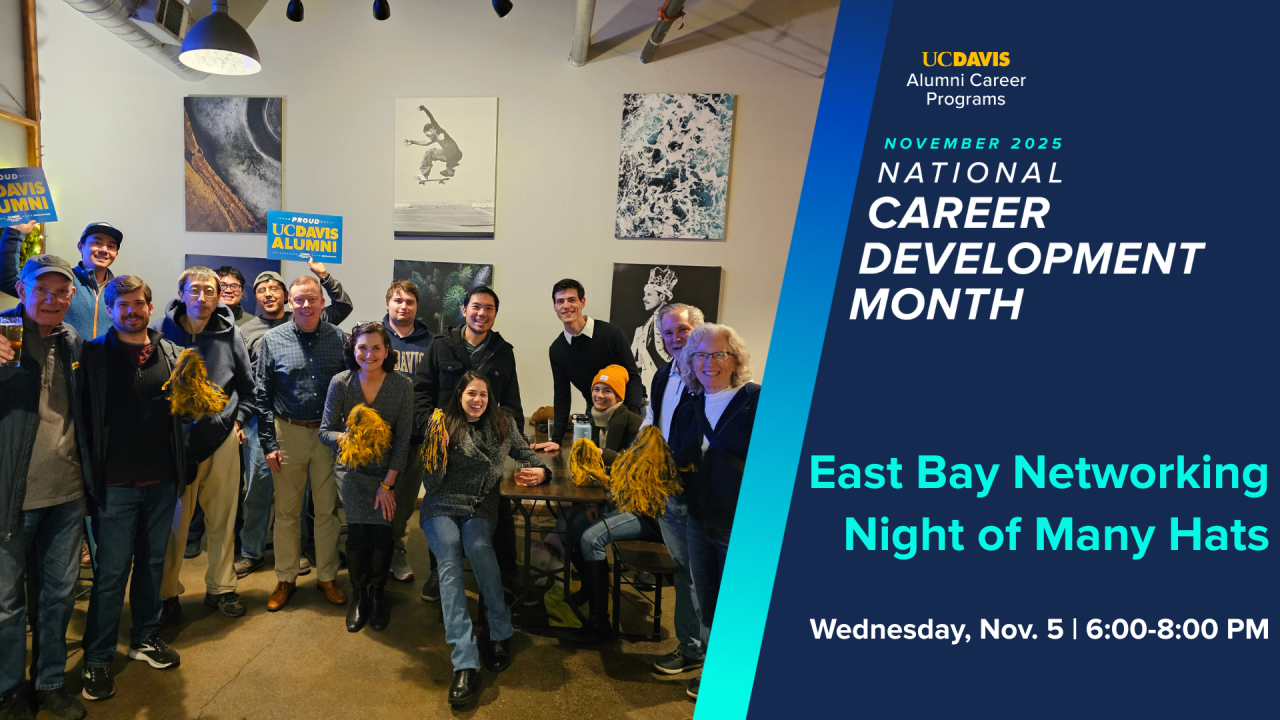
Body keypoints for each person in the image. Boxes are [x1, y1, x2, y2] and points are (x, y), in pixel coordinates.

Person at [79, 276, 184, 702]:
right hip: (115, 484)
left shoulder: (171, 353)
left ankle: (144, 638)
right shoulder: (91, 356)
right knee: (111, 574)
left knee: (152, 565)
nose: (131, 311)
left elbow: (184, 412)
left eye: (138, 303)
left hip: (162, 480)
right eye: (122, 304)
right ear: (110, 310)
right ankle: (97, 657)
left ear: (149, 306)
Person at [418, 371, 548, 707]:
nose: (477, 400)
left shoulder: (503, 423)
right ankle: (464, 661)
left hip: (479, 505)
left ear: (490, 399)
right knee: (448, 558)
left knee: (479, 548)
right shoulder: (441, 424)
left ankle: (500, 632)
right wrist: (438, 451)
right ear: (459, 395)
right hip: (441, 504)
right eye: (471, 394)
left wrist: (542, 470)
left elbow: (526, 454)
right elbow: (431, 484)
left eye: (483, 395)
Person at [0, 254, 93, 720]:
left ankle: (50, 682)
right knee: (6, 604)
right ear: (21, 289)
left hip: (66, 493)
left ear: (72, 296)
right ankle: (10, 690)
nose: (51, 299)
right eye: (41, 289)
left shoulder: (73, 340)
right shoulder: (3, 332)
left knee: (58, 595)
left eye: (61, 292)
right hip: (10, 495)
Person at [235, 263, 352, 580]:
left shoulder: (338, 338)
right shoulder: (269, 338)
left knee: (323, 508)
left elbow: (348, 388)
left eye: (312, 299)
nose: (306, 305)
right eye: (299, 300)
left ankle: (324, 574)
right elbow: (260, 392)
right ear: (291, 302)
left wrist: (346, 434)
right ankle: (279, 573)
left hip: (326, 434)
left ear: (322, 302)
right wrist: (267, 441)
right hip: (283, 429)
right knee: (281, 508)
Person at [154, 267, 256, 621]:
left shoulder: (231, 333)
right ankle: (167, 594)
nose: (202, 298)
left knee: (224, 518)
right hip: (175, 443)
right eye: (195, 290)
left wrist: (237, 421)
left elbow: (248, 388)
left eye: (209, 291)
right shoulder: (159, 332)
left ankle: (222, 588)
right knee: (173, 524)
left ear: (218, 296)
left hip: (221, 436)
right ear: (181, 293)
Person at [413, 285, 524, 603]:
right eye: (476, 306)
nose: (482, 313)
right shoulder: (440, 345)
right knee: (440, 508)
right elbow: (421, 393)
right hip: (445, 446)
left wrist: (512, 443)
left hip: (485, 450)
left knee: (497, 508)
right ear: (464, 310)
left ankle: (507, 573)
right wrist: (433, 429)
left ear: (495, 314)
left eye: (489, 308)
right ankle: (438, 571)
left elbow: (511, 403)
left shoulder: (503, 351)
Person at [667, 323, 760, 701]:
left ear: (734, 359)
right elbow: (677, 458)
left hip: (739, 522)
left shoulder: (755, 401)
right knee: (707, 601)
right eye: (700, 355)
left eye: (718, 354)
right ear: (690, 362)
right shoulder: (689, 406)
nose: (709, 363)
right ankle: (717, 668)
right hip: (698, 520)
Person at [319, 323, 414, 633]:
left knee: (383, 535)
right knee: (358, 534)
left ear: (387, 351)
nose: (369, 354)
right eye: (362, 347)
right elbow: (324, 432)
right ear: (353, 349)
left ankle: (377, 595)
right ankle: (360, 596)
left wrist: (388, 484)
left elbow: (403, 440)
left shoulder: (402, 385)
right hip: (352, 472)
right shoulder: (341, 383)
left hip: (388, 473)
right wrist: (345, 438)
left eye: (376, 348)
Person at [561, 365, 647, 644]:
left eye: (607, 390)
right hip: (607, 497)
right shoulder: (591, 419)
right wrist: (595, 501)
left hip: (637, 505)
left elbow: (636, 466)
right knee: (566, 525)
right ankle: (590, 586)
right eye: (596, 389)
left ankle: (600, 622)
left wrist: (602, 453)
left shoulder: (635, 423)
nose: (599, 395)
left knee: (590, 538)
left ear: (619, 396)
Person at [642, 303, 707, 675]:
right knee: (685, 571)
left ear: (699, 330)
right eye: (667, 333)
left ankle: (717, 657)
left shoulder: (711, 374)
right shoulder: (663, 375)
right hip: (668, 491)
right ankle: (691, 647)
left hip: (702, 493)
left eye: (682, 330)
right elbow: (653, 420)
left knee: (705, 574)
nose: (675, 339)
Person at [535, 279, 644, 452]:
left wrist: (631, 419)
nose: (566, 306)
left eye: (572, 300)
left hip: (630, 411)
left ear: (582, 302)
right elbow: (562, 395)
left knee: (632, 464)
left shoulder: (611, 334)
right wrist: (557, 439)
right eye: (560, 301)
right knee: (594, 463)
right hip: (596, 413)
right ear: (555, 307)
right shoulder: (557, 349)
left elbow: (633, 378)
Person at [381, 280, 432, 585]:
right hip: (379, 439)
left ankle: (398, 556)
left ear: (417, 306)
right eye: (398, 300)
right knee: (375, 502)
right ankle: (374, 557)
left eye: (410, 302)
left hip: (415, 438)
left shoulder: (431, 342)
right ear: (388, 303)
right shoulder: (375, 336)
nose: (404, 306)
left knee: (403, 504)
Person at [2, 220, 122, 340]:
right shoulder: (62, 283)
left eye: (111, 246)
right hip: (61, 351)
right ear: (81, 246)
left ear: (116, 254)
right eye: (97, 242)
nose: (104, 250)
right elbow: (7, 280)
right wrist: (14, 234)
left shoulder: (119, 291)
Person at [628, 267, 678, 387]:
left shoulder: (672, 320)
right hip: (648, 383)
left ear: (662, 297)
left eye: (649, 294)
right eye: (645, 294)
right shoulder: (645, 325)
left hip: (669, 382)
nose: (644, 299)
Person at [404, 104, 463, 182]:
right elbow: (426, 143)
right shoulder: (435, 137)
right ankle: (450, 170)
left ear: (431, 130)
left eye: (428, 135)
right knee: (440, 154)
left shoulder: (437, 129)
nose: (429, 137)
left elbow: (431, 117)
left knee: (429, 152)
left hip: (450, 154)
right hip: (458, 155)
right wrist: (413, 141)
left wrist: (425, 109)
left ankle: (424, 174)